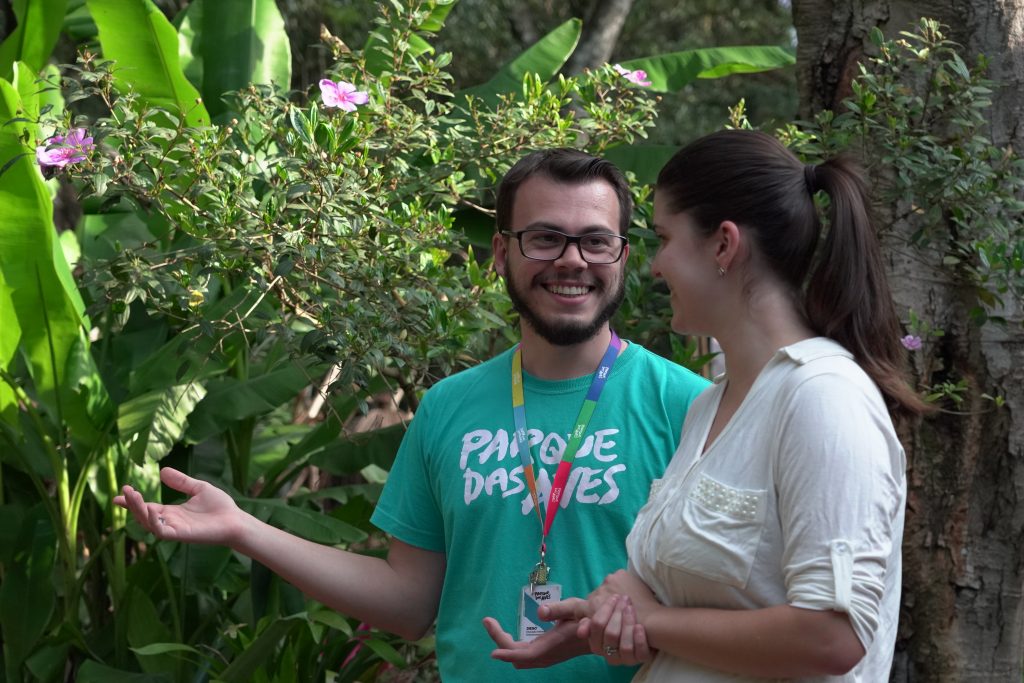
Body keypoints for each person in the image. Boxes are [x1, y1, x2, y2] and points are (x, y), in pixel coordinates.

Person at [115, 148, 710, 682]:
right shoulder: (451, 405)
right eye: (546, 238)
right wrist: (244, 528)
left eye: (596, 240)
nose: (573, 260)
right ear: (502, 253)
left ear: (623, 255)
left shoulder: (688, 406)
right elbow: (407, 602)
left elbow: (737, 600)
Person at [506, 129, 929, 681]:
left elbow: (832, 636)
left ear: (724, 245)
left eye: (664, 238)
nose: (654, 267)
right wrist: (607, 617)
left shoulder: (823, 398)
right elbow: (706, 608)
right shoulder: (710, 405)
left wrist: (653, 621)